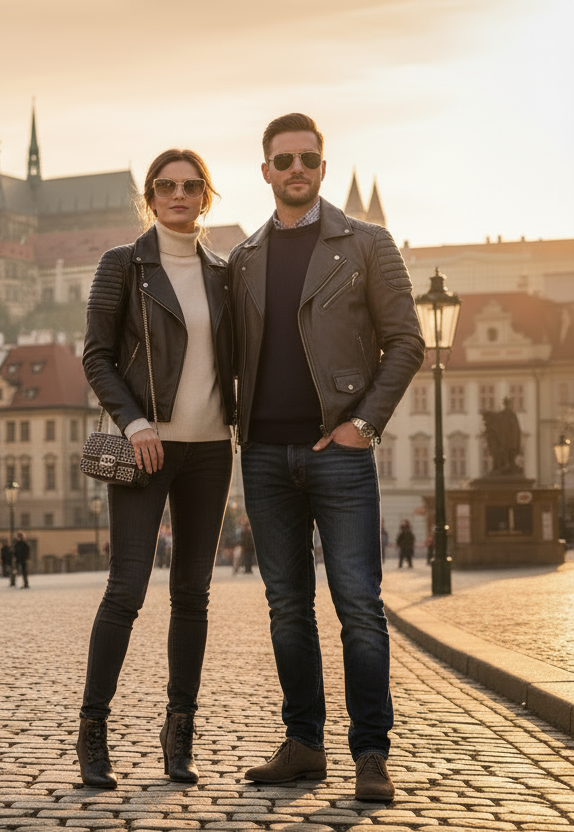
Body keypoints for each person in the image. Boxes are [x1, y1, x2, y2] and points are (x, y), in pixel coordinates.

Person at [229, 113, 424, 803]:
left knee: (359, 607)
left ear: (322, 164)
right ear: (265, 171)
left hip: (339, 452)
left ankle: (371, 753)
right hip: (262, 455)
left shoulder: (368, 243)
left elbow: (406, 342)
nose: (296, 169)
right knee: (287, 608)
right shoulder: (244, 258)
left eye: (308, 158)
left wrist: (363, 425)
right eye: (283, 160)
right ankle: (304, 744)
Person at [77, 148, 235, 788]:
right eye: (165, 186)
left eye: (190, 186)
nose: (178, 195)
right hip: (145, 451)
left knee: (192, 595)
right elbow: (96, 357)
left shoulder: (226, 272)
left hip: (209, 452)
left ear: (206, 196)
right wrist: (135, 423)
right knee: (126, 590)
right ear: (149, 197)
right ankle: (92, 732)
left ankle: (180, 733)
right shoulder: (122, 264)